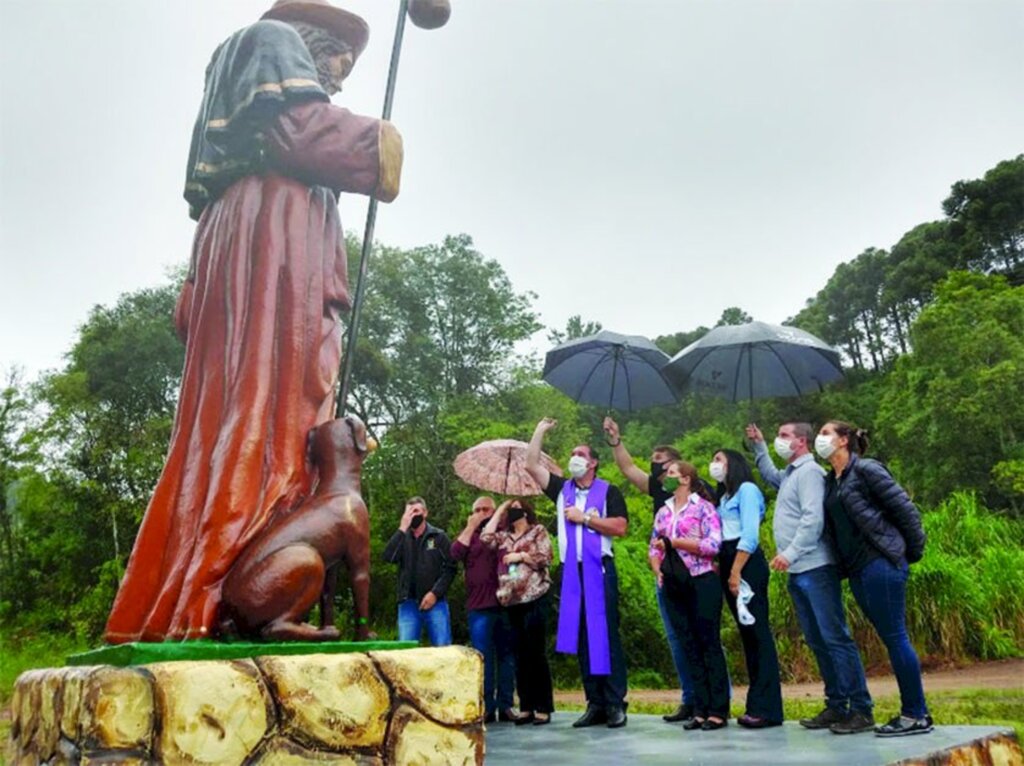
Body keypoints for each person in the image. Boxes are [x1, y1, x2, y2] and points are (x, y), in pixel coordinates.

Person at [105, 0, 403, 643]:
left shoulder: (239, 124)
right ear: (300, 46)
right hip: (270, 244)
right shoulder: (265, 40)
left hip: (257, 236)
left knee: (270, 402)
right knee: (269, 400)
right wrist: (377, 143)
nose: (337, 80)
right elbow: (300, 129)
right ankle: (231, 572)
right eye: (331, 63)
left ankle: (229, 573)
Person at [746, 422, 874, 734]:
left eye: (784, 436)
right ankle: (835, 704)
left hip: (815, 567)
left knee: (835, 638)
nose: (780, 440)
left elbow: (813, 518)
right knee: (818, 640)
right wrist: (761, 446)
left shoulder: (810, 474)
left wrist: (789, 552)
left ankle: (860, 708)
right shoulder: (791, 474)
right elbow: (771, 476)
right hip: (798, 571)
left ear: (801, 442)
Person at [816, 421, 932, 737]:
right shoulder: (832, 481)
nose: (820, 438)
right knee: (891, 637)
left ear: (843, 440)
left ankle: (915, 715)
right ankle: (915, 712)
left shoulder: (866, 470)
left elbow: (905, 511)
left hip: (880, 564)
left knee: (895, 637)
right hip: (857, 570)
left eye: (825, 433)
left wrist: (908, 554)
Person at [525, 418, 630, 729]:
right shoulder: (561, 489)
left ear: (594, 462)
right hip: (571, 571)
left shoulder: (609, 491)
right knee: (583, 637)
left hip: (600, 568)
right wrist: (540, 430)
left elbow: (620, 527)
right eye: (572, 453)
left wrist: (585, 518)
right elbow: (531, 464)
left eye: (580, 453)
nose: (574, 457)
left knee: (605, 635)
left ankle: (614, 702)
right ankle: (594, 702)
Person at [603, 417, 697, 724]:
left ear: (676, 466)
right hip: (665, 573)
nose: (655, 468)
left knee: (700, 636)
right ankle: (689, 699)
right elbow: (628, 468)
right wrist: (616, 441)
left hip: (696, 572)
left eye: (660, 462)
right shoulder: (658, 491)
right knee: (675, 637)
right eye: (654, 463)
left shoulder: (697, 493)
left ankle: (710, 700)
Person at [650, 461, 729, 730]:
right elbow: (654, 546)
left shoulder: (704, 508)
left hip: (701, 580)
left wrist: (677, 543)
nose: (666, 478)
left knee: (708, 643)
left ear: (685, 479)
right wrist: (657, 568)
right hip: (673, 583)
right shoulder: (663, 511)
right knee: (688, 645)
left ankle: (718, 709)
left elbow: (713, 545)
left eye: (672, 473)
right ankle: (699, 708)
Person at [710, 449, 784, 728]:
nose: (714, 465)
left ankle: (768, 708)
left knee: (758, 633)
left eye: (719, 460)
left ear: (734, 464)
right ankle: (756, 703)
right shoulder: (724, 497)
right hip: (729, 559)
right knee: (747, 636)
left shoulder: (748, 491)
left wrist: (736, 571)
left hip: (746, 562)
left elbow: (750, 534)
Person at [481, 498, 555, 726]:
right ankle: (526, 706)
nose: (512, 512)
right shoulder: (503, 536)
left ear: (525, 511)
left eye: (515, 508)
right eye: (509, 509)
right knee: (519, 654)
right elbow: (485, 537)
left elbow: (546, 557)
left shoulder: (537, 531)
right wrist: (500, 508)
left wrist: (521, 556)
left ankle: (542, 706)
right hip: (511, 600)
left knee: (536, 653)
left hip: (535, 596)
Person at [450, 496, 517, 723]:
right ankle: (487, 706)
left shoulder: (503, 535)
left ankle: (506, 705)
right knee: (483, 658)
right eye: (477, 509)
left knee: (506, 656)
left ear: (494, 511)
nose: (481, 513)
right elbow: (455, 553)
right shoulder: (471, 537)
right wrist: (470, 526)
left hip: (504, 604)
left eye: (485, 509)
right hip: (478, 607)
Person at [382, 497, 456, 646]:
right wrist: (402, 529)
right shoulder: (402, 537)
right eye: (409, 512)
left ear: (425, 513)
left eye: (416, 511)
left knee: (443, 650)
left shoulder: (438, 537)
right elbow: (388, 557)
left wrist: (435, 593)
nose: (413, 515)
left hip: (436, 602)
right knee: (406, 652)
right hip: (408, 603)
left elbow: (451, 568)